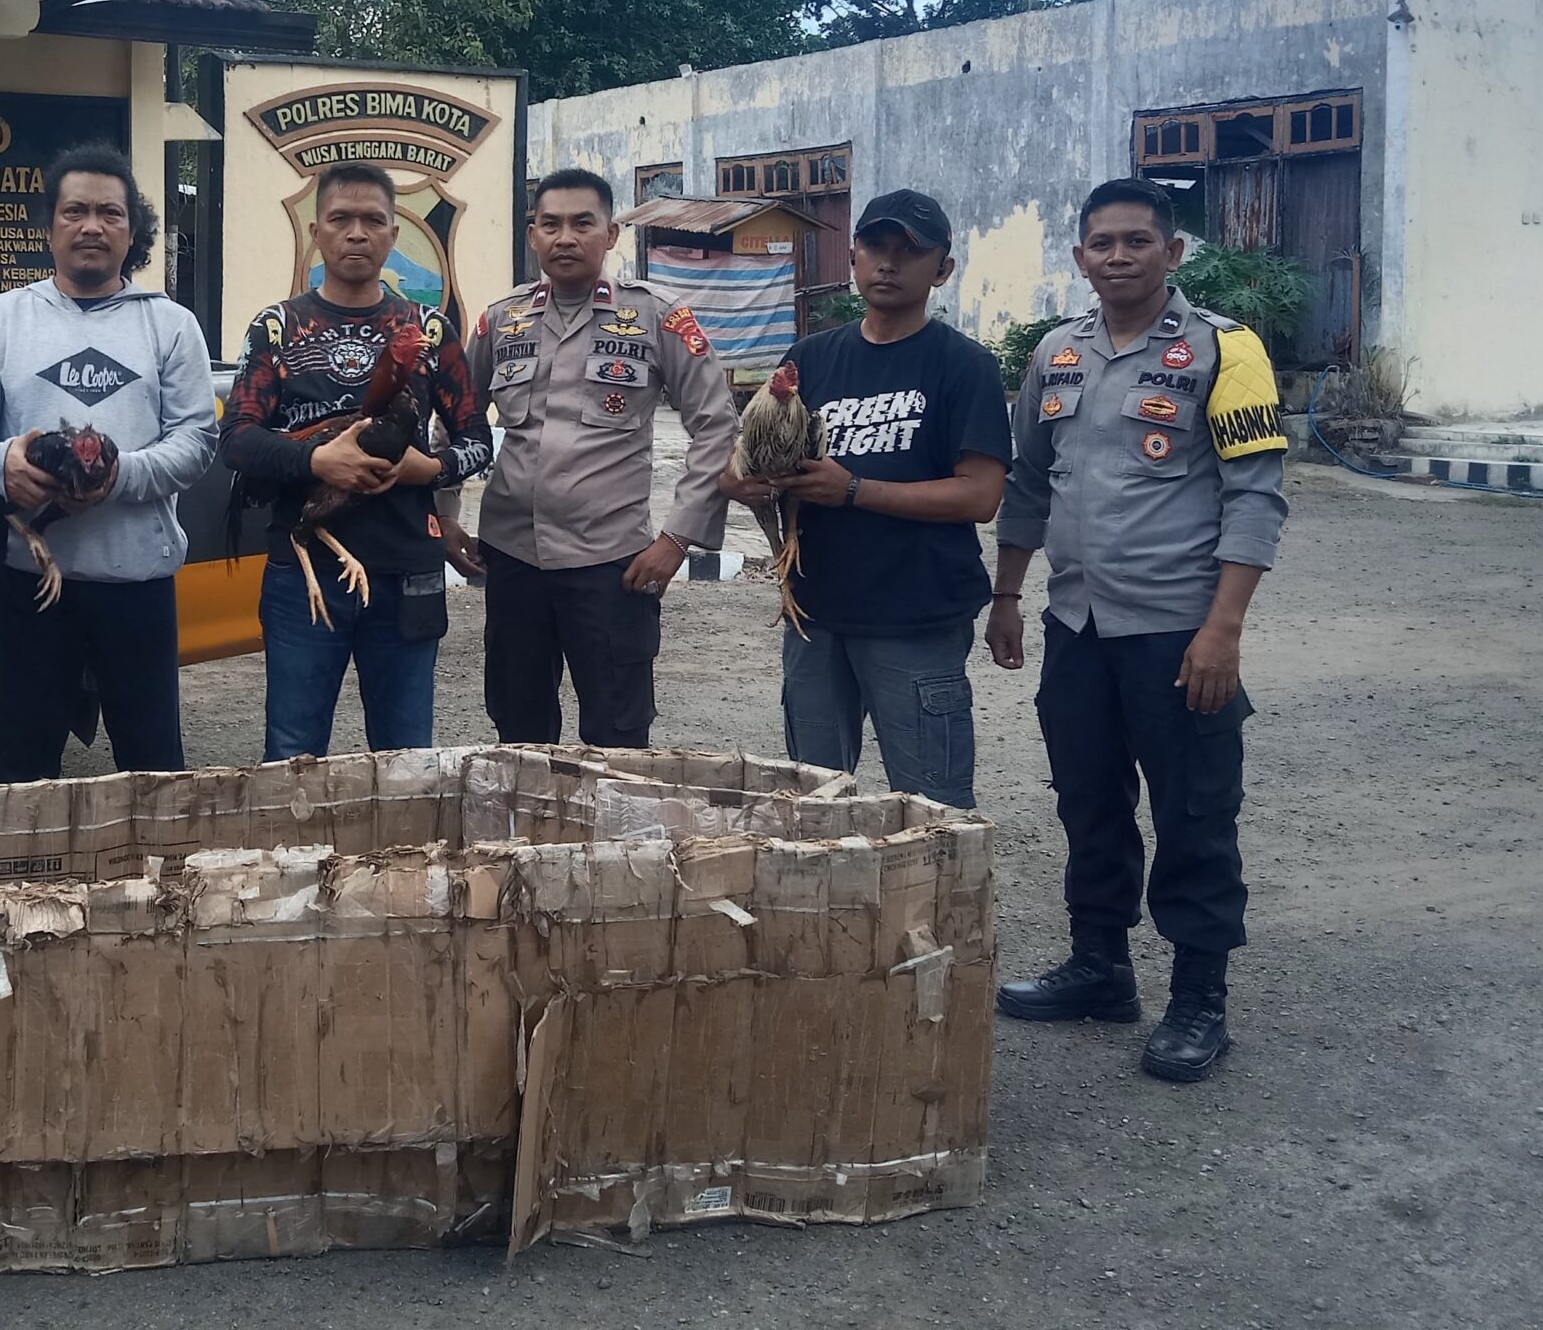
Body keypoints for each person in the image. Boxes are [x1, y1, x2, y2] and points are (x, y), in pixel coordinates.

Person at [989, 176, 1289, 1083]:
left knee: (1194, 812)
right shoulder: (1056, 353)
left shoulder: (1226, 350)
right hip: (1076, 624)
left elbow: (1255, 496)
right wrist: (1007, 596)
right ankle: (1100, 967)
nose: (1118, 256)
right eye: (1102, 243)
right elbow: (1028, 483)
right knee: (1088, 801)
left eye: (1137, 241)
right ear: (1081, 257)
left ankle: (1199, 1000)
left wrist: (1223, 630)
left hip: (1177, 633)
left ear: (1172, 251)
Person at [718, 190, 1010, 807]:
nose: (888, 262)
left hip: (916, 619)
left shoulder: (965, 365)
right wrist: (744, 483)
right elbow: (758, 459)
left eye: (909, 251)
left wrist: (853, 490)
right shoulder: (811, 357)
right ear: (853, 257)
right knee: (814, 804)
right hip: (814, 616)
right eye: (876, 246)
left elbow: (981, 496)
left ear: (942, 269)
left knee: (932, 808)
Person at [0, 144, 216, 779]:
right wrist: (2, 464)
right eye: (75, 211)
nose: (92, 226)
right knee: (24, 764)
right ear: (49, 225)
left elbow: (197, 439)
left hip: (137, 581)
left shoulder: (171, 326)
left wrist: (120, 477)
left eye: (110, 213)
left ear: (133, 231)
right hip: (30, 581)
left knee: (153, 766)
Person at [446, 167, 734, 749]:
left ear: (611, 234)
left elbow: (717, 426)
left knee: (617, 734)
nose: (565, 238)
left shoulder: (657, 316)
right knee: (519, 730)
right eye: (550, 224)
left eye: (583, 223)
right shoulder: (501, 319)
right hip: (513, 558)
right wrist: (443, 515)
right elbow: (455, 419)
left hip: (613, 565)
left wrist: (677, 539)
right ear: (532, 235)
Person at [223, 161, 492, 758]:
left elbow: (478, 438)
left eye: (373, 220)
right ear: (315, 231)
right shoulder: (276, 327)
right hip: (304, 573)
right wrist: (317, 462)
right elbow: (236, 438)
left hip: (407, 568)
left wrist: (430, 469)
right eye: (341, 219)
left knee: (406, 756)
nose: (356, 233)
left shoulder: (428, 328)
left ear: (394, 234)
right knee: (292, 752)